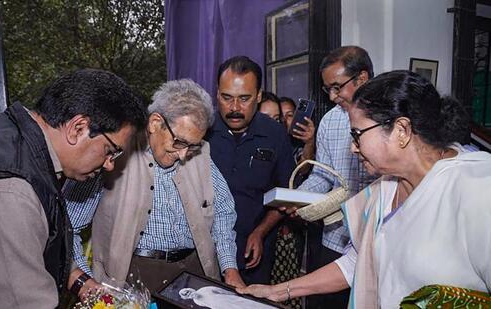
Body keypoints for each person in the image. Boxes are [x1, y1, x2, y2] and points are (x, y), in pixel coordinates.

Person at [238, 70, 491, 308]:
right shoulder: (386, 190)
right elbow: (358, 262)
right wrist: (276, 291)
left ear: (401, 130)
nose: (353, 148)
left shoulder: (475, 189)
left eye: (357, 135)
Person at [0, 69, 147, 308]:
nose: (110, 165)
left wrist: (80, 281)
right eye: (111, 151)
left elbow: (35, 242)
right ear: (78, 128)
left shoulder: (22, 147)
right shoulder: (8, 193)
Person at [64, 79, 244, 295]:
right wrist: (84, 280)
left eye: (193, 146)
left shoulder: (200, 153)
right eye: (179, 142)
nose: (184, 154)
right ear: (155, 123)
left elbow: (223, 212)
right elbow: (69, 226)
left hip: (194, 271)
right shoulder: (113, 151)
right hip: (132, 275)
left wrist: (229, 268)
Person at [297, 46, 377, 308]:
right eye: (327, 89)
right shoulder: (331, 121)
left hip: (376, 239)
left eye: (337, 87)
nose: (332, 97)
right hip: (336, 236)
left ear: (362, 79)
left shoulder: (390, 118)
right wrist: (299, 199)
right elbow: (322, 175)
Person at [205, 56, 295, 285]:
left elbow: (285, 194)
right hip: (204, 248)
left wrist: (260, 232)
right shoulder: (202, 132)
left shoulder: (275, 134)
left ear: (258, 96)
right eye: (227, 98)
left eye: (244, 99)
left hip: (253, 250)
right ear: (217, 94)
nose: (234, 108)